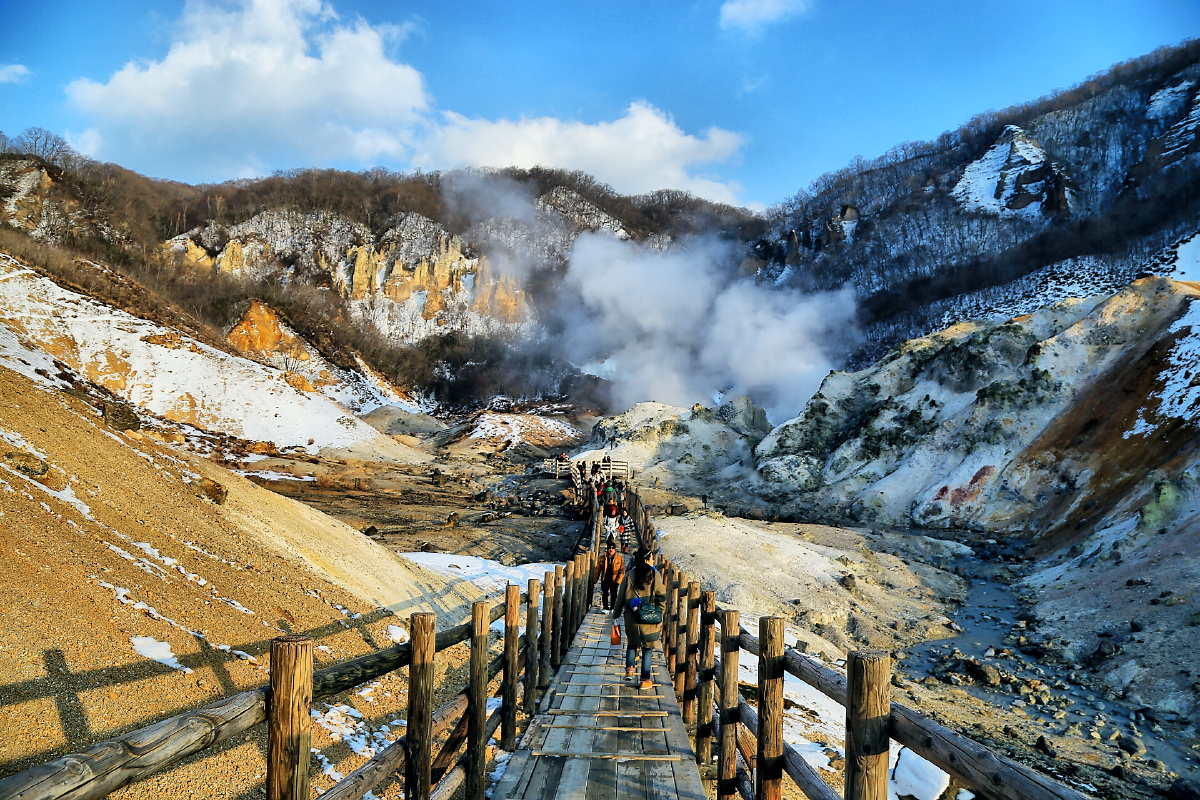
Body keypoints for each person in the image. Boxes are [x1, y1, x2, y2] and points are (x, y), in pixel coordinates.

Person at [611, 547, 666, 689]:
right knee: (647, 649)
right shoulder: (655, 576)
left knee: (632, 643)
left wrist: (615, 615)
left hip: (631, 618)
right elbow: (662, 597)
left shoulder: (629, 575)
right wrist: (660, 612)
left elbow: (620, 598)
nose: (654, 561)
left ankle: (629, 670)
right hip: (650, 618)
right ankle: (645, 680)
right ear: (647, 560)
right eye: (652, 558)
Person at [600, 538, 625, 610]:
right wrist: (595, 580)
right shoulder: (602, 558)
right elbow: (597, 569)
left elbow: (622, 570)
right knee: (605, 593)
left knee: (614, 594)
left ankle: (613, 607)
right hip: (605, 578)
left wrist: (619, 581)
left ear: (615, 550)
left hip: (614, 579)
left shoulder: (619, 558)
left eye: (612, 549)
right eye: (609, 549)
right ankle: (605, 607)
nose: (611, 550)